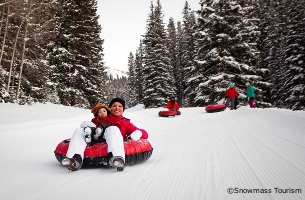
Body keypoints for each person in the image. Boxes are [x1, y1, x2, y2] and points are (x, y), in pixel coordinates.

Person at [61, 103, 111, 171]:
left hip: (103, 135)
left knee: (106, 127)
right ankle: (89, 134)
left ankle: (98, 132)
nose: (102, 113)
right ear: (96, 114)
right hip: (93, 134)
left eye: (104, 111)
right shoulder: (94, 120)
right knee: (86, 125)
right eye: (99, 112)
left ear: (107, 112)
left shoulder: (110, 119)